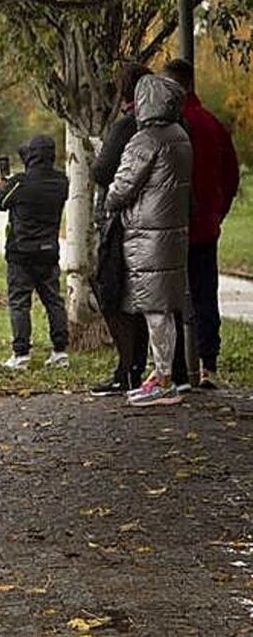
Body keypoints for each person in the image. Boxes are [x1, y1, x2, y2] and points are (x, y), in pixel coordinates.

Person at [105, 74, 192, 407]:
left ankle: (162, 380)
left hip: (148, 235)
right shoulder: (180, 135)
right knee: (166, 309)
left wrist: (110, 201)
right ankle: (164, 374)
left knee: (154, 309)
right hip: (172, 232)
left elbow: (122, 186)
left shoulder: (145, 140)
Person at [164, 58, 241, 389]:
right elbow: (232, 175)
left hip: (174, 226)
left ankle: (178, 368)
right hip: (207, 225)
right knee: (206, 295)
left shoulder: (172, 127)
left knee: (172, 298)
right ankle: (208, 364)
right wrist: (217, 211)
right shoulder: (212, 124)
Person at [90, 63, 153, 396]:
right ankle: (146, 369)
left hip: (120, 223)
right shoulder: (172, 126)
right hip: (156, 225)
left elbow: (102, 172)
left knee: (114, 295)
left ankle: (127, 370)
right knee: (149, 301)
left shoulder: (127, 127)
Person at [0, 135, 70, 370]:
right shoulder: (61, 181)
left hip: (21, 253)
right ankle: (60, 351)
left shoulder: (20, 183)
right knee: (54, 301)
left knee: (19, 303)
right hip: (49, 251)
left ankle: (21, 354)